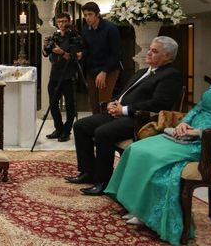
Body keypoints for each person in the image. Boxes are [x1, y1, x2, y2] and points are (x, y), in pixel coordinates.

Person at [105, 40, 211, 246]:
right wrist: (184, 123)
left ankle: (149, 213)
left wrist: (201, 132)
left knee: (155, 158)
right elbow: (199, 109)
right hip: (188, 134)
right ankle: (135, 204)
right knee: (137, 148)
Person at [65, 36, 182, 195]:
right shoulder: (143, 71)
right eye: (150, 49)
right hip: (120, 113)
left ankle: (103, 181)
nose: (148, 53)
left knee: (102, 133)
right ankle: (88, 172)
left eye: (154, 51)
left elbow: (158, 104)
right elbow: (125, 94)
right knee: (80, 126)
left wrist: (125, 109)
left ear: (168, 56)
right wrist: (113, 103)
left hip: (140, 120)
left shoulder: (170, 75)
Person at [42, 12, 83, 142]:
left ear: (69, 21)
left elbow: (75, 58)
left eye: (65, 21)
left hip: (69, 75)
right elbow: (45, 54)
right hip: (55, 74)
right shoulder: (55, 36)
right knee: (53, 103)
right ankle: (58, 128)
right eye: (59, 21)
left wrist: (62, 52)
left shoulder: (74, 38)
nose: (62, 24)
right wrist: (45, 46)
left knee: (70, 105)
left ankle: (66, 131)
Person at [81, 1, 122, 114]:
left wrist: (104, 72)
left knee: (104, 101)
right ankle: (94, 127)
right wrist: (81, 54)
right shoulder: (85, 29)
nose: (87, 18)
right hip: (92, 68)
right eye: (85, 15)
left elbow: (116, 54)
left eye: (90, 14)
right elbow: (86, 48)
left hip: (109, 68)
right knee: (93, 102)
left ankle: (105, 127)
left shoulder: (110, 28)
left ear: (97, 14)